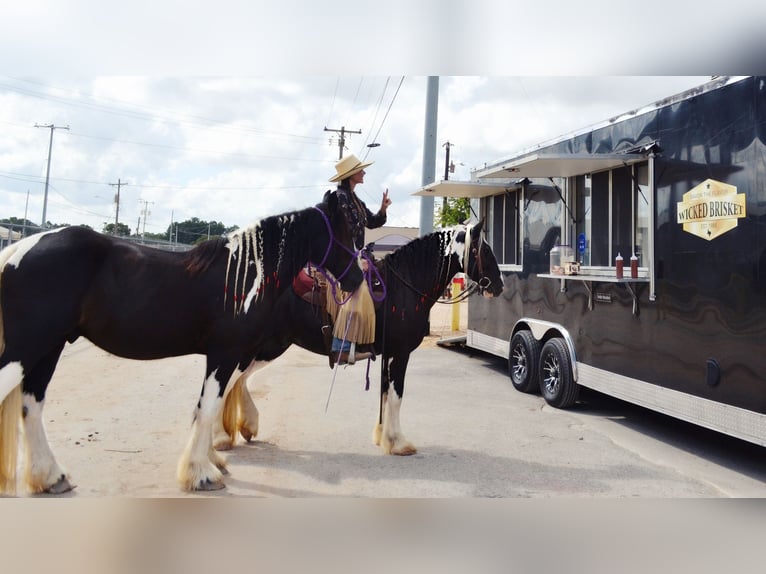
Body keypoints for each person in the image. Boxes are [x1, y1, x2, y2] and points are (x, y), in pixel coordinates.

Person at [324, 153, 391, 366]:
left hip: (355, 254)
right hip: (342, 257)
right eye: (361, 170)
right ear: (352, 175)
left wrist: (382, 209)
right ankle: (341, 348)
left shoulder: (354, 199)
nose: (364, 172)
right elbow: (340, 233)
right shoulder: (339, 199)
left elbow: (371, 222)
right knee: (357, 290)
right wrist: (354, 258)